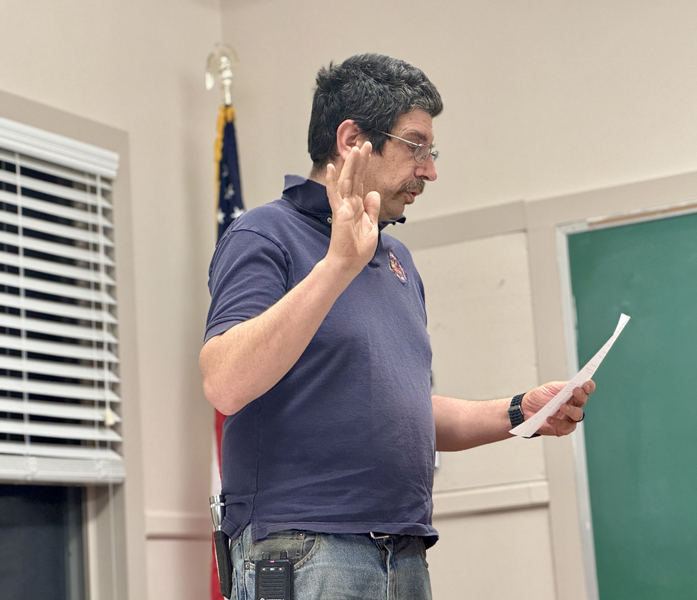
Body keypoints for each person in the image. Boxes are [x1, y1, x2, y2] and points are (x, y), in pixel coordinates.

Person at [200, 53, 594, 600]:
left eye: (432, 151)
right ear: (352, 139)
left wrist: (518, 412)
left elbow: (404, 409)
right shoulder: (263, 234)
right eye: (415, 146)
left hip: (403, 551)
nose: (430, 170)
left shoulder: (396, 258)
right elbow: (224, 381)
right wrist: (337, 265)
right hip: (306, 551)